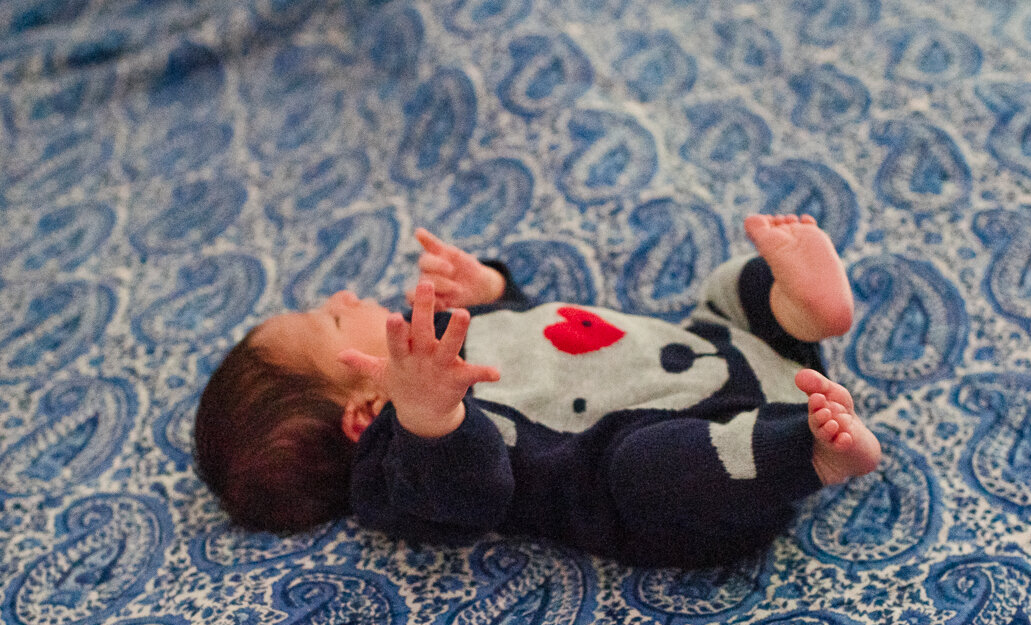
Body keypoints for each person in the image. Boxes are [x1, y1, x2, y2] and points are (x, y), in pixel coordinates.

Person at [193, 214, 881, 567]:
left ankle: (801, 314)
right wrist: (428, 415)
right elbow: (468, 492)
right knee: (641, 469)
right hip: (691, 466)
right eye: (334, 317)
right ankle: (811, 450)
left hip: (717, 352)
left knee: (728, 293)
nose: (345, 294)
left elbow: (535, 340)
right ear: (364, 411)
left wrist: (491, 291)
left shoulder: (448, 339)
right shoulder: (398, 465)